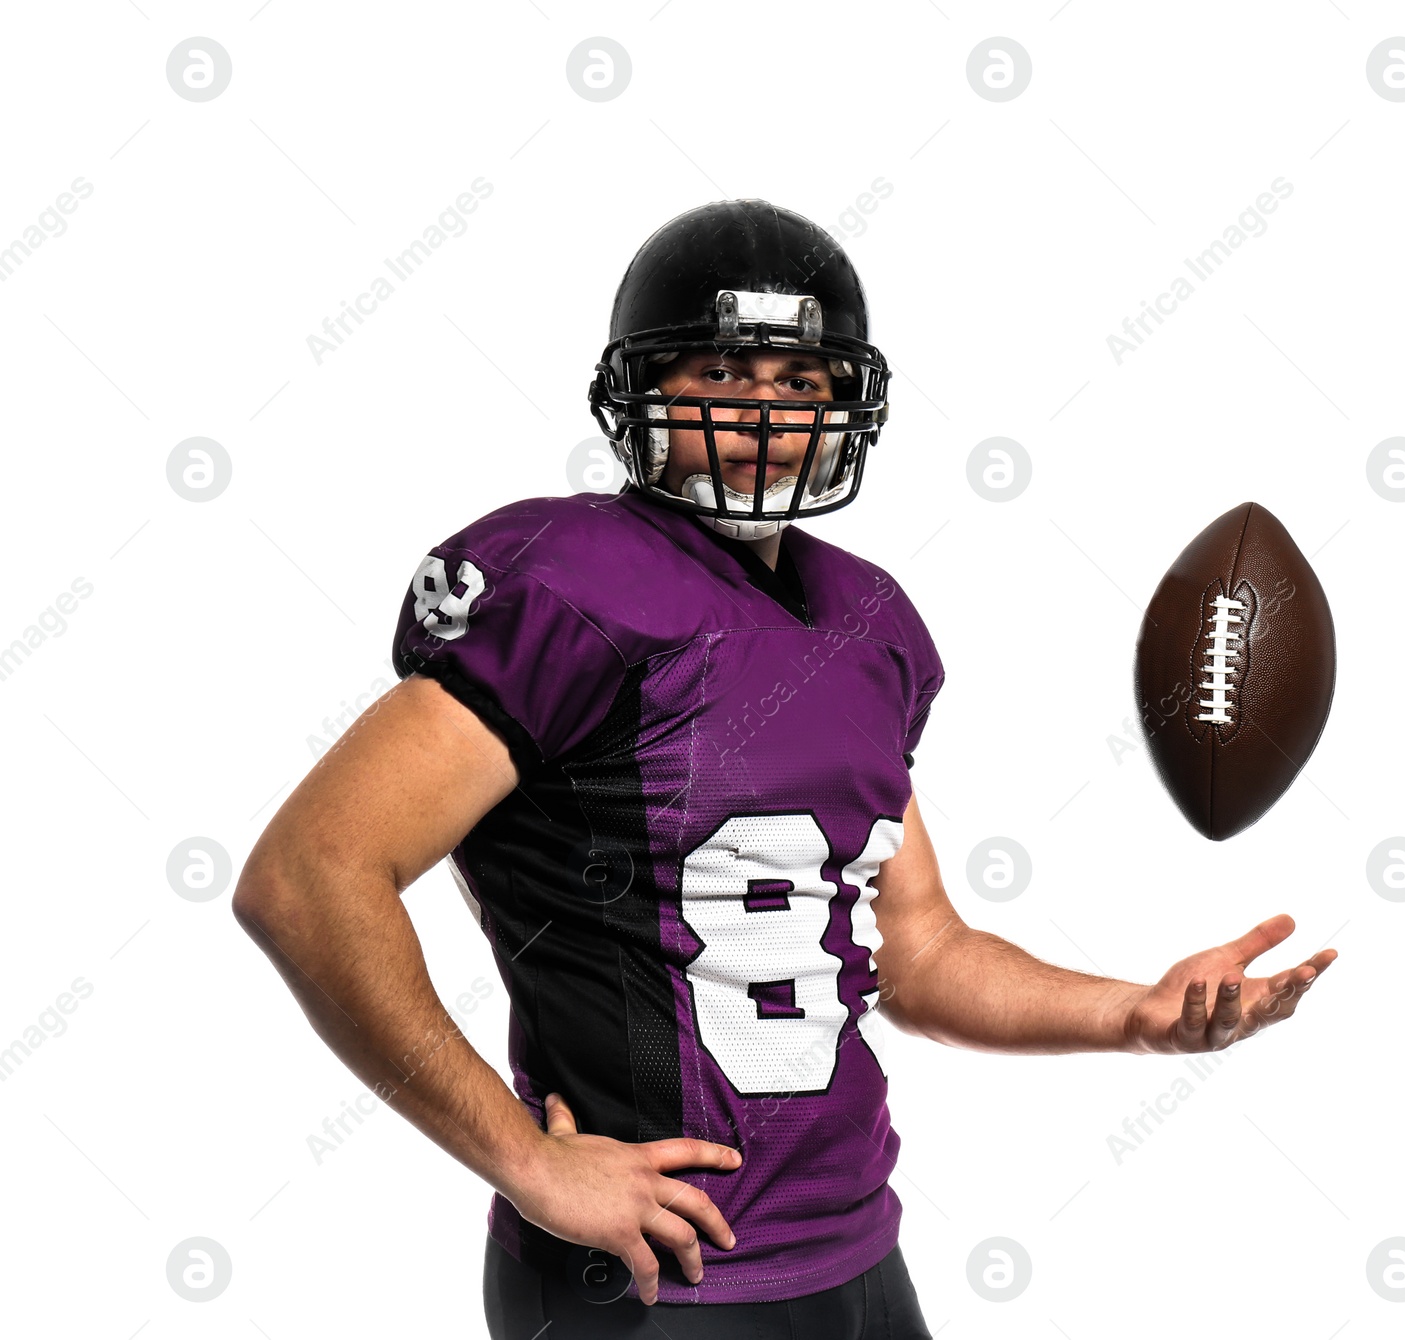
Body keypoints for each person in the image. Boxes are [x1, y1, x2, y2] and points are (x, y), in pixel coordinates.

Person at [232, 200, 1336, 1338]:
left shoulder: (871, 620)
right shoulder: (565, 583)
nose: (763, 409)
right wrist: (524, 1160)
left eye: (800, 383)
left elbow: (921, 952)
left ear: (848, 407)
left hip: (858, 1248)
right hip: (651, 1278)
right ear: (642, 392)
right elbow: (309, 874)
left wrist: (1136, 1011)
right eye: (723, 369)